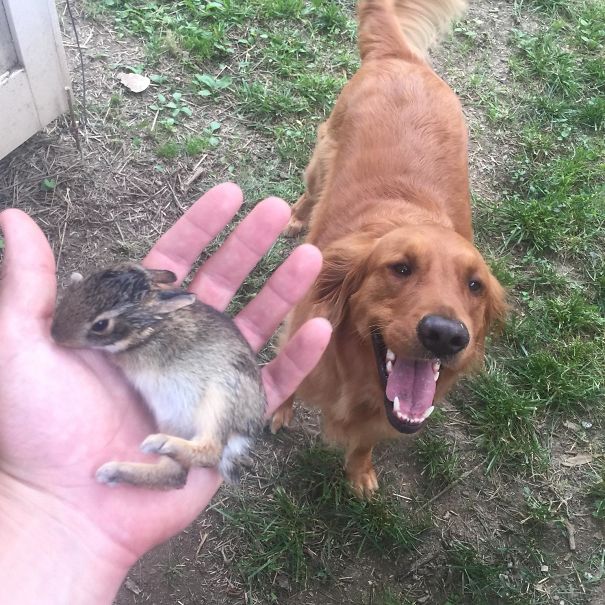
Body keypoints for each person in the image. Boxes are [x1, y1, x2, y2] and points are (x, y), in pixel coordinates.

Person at [0, 182, 332, 603]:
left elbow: (184, 359)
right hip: (179, 397)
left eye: (99, 327)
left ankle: (204, 449)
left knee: (224, 384)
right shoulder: (137, 346)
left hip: (223, 404)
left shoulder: (162, 331)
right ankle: (168, 469)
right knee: (172, 417)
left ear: (150, 318)